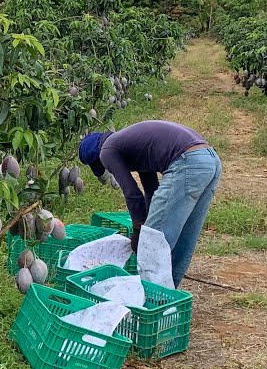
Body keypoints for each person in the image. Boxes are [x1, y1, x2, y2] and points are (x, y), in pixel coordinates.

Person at [78, 120, 221, 288]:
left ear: (96, 158)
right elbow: (151, 189)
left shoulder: (107, 150)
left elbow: (132, 193)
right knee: (184, 238)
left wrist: (139, 229)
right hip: (210, 161)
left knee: (152, 242)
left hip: (187, 163)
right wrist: (145, 221)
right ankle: (168, 296)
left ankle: (150, 301)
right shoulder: (132, 143)